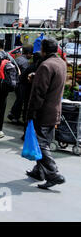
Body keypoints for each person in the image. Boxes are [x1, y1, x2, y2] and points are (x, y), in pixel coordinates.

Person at [26, 38, 67, 189]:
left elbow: (39, 93)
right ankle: (39, 170)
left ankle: (53, 173)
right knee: (45, 141)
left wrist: (31, 112)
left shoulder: (45, 65)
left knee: (41, 143)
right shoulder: (61, 63)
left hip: (43, 111)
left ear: (43, 49)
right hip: (55, 110)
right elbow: (52, 83)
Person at [8, 45, 33, 123]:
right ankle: (14, 116)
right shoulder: (25, 62)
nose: (31, 55)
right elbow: (25, 75)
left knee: (19, 99)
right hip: (21, 83)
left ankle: (13, 114)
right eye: (31, 54)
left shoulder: (18, 59)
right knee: (20, 100)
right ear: (28, 53)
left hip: (15, 82)